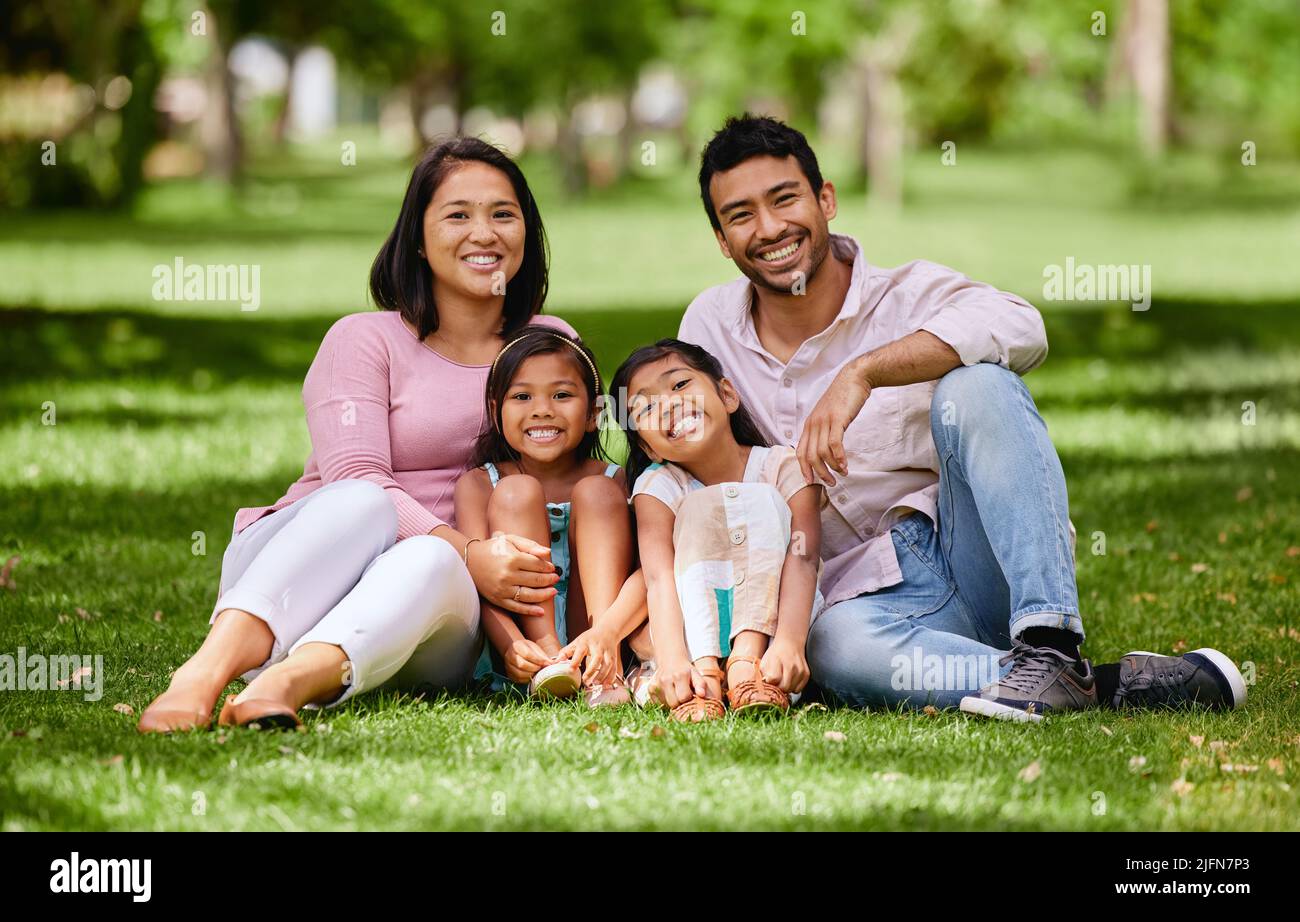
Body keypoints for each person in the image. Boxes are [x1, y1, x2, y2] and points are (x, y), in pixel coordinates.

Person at [675, 114, 1247, 721]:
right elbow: (688, 473)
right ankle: (1082, 683)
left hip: (970, 557)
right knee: (834, 650)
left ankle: (1049, 642)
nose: (769, 229)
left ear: (826, 199)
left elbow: (1023, 328)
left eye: (784, 199)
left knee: (979, 383)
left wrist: (862, 372)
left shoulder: (906, 294)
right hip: (855, 603)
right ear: (721, 239)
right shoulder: (710, 330)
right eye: (740, 215)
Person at [138, 137, 575, 732]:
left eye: (503, 213)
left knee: (430, 561)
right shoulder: (363, 339)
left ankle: (284, 685)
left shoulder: (548, 343)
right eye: (457, 214)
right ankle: (201, 676)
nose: (485, 232)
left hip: (431, 608)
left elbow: (575, 478)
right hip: (304, 572)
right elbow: (355, 480)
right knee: (365, 499)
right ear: (417, 239)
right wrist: (471, 553)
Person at [611, 338, 824, 721]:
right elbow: (659, 578)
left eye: (679, 385)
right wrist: (675, 659)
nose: (670, 404)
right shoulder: (659, 487)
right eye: (646, 407)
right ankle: (704, 675)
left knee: (756, 500)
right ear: (648, 448)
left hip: (780, 628)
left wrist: (790, 642)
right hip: (691, 639)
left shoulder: (782, 467)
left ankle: (747, 661)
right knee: (701, 507)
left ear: (726, 395)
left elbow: (804, 556)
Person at [454, 327, 650, 705]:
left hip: (599, 631)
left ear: (594, 414)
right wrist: (512, 646)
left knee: (597, 493)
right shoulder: (479, 484)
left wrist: (607, 633)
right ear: (497, 412)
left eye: (561, 395)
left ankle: (597, 666)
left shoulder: (616, 480)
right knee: (517, 492)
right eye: (522, 396)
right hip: (519, 644)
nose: (542, 409)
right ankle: (547, 658)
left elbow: (649, 568)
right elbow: (473, 579)